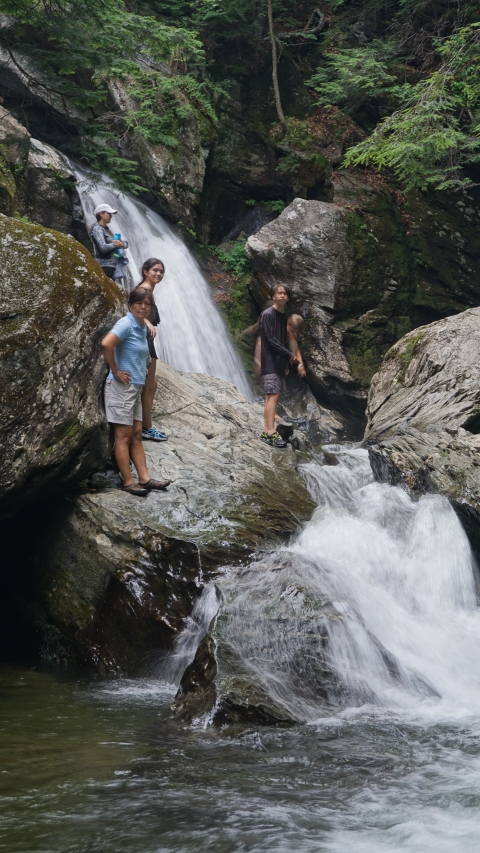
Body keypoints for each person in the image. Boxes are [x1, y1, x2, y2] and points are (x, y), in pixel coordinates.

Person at [101, 288, 170, 497]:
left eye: (147, 304)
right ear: (130, 305)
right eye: (139, 303)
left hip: (135, 388)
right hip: (120, 388)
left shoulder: (141, 326)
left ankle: (145, 478)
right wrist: (116, 371)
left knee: (137, 435)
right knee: (123, 437)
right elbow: (107, 343)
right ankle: (128, 482)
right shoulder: (126, 323)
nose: (143, 306)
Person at [259, 283, 303, 448]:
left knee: (272, 398)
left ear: (288, 297)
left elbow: (283, 340)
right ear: (273, 296)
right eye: (279, 293)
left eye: (285, 293)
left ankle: (266, 431)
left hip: (279, 362)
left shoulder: (284, 317)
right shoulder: (267, 315)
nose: (282, 295)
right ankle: (270, 432)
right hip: (270, 361)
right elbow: (269, 340)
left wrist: (285, 361)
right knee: (273, 396)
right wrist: (289, 355)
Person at [134, 258, 168, 442]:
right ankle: (146, 428)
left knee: (152, 385)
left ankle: (145, 423)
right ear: (145, 271)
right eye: (155, 270)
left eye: (161, 271)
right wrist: (146, 321)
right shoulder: (144, 290)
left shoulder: (147, 290)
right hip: (145, 342)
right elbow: (132, 308)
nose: (159, 274)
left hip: (147, 340)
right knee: (148, 387)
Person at [90, 204, 127, 280]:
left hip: (111, 267)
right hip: (104, 267)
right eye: (109, 213)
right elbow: (103, 247)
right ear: (101, 214)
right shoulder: (97, 228)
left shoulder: (107, 229)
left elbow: (125, 244)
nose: (111, 216)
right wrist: (117, 244)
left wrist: (121, 244)